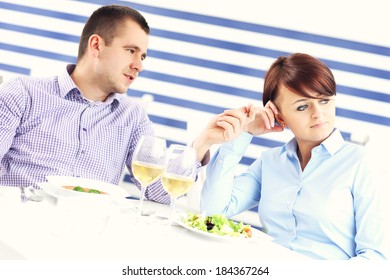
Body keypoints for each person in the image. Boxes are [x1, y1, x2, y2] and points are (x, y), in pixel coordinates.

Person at [0, 4, 208, 204]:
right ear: (96, 45)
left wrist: (201, 145)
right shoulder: (22, 93)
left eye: (142, 56)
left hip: (90, 230)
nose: (139, 65)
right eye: (130, 50)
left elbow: (157, 191)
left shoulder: (132, 116)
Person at [196, 53, 389, 259]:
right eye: (302, 106)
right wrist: (244, 132)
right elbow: (212, 213)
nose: (318, 113)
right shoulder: (270, 163)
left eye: (324, 101)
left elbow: (375, 258)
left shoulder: (361, 164)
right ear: (279, 115)